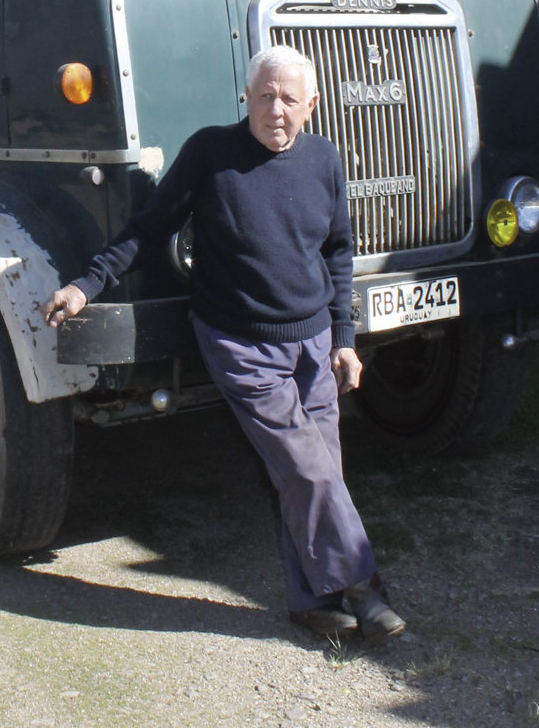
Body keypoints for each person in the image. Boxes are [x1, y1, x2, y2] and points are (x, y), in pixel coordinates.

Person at [41, 45, 405, 641]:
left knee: (318, 469)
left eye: (290, 98)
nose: (276, 110)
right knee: (307, 468)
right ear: (247, 98)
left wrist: (344, 337)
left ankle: (311, 600)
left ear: (312, 106)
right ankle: (365, 588)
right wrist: (86, 285)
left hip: (313, 340)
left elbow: (338, 253)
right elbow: (149, 227)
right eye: (265, 96)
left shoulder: (324, 160)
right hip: (239, 343)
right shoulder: (211, 153)